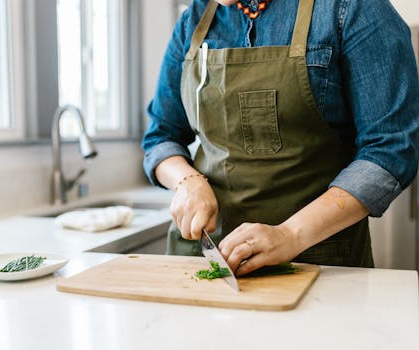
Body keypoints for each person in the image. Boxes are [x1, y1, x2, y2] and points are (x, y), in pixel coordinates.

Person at [141, 0, 419, 275]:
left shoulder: (354, 8)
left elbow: (391, 148)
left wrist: (290, 235)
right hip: (204, 259)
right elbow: (161, 136)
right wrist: (186, 182)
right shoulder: (194, 19)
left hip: (318, 262)